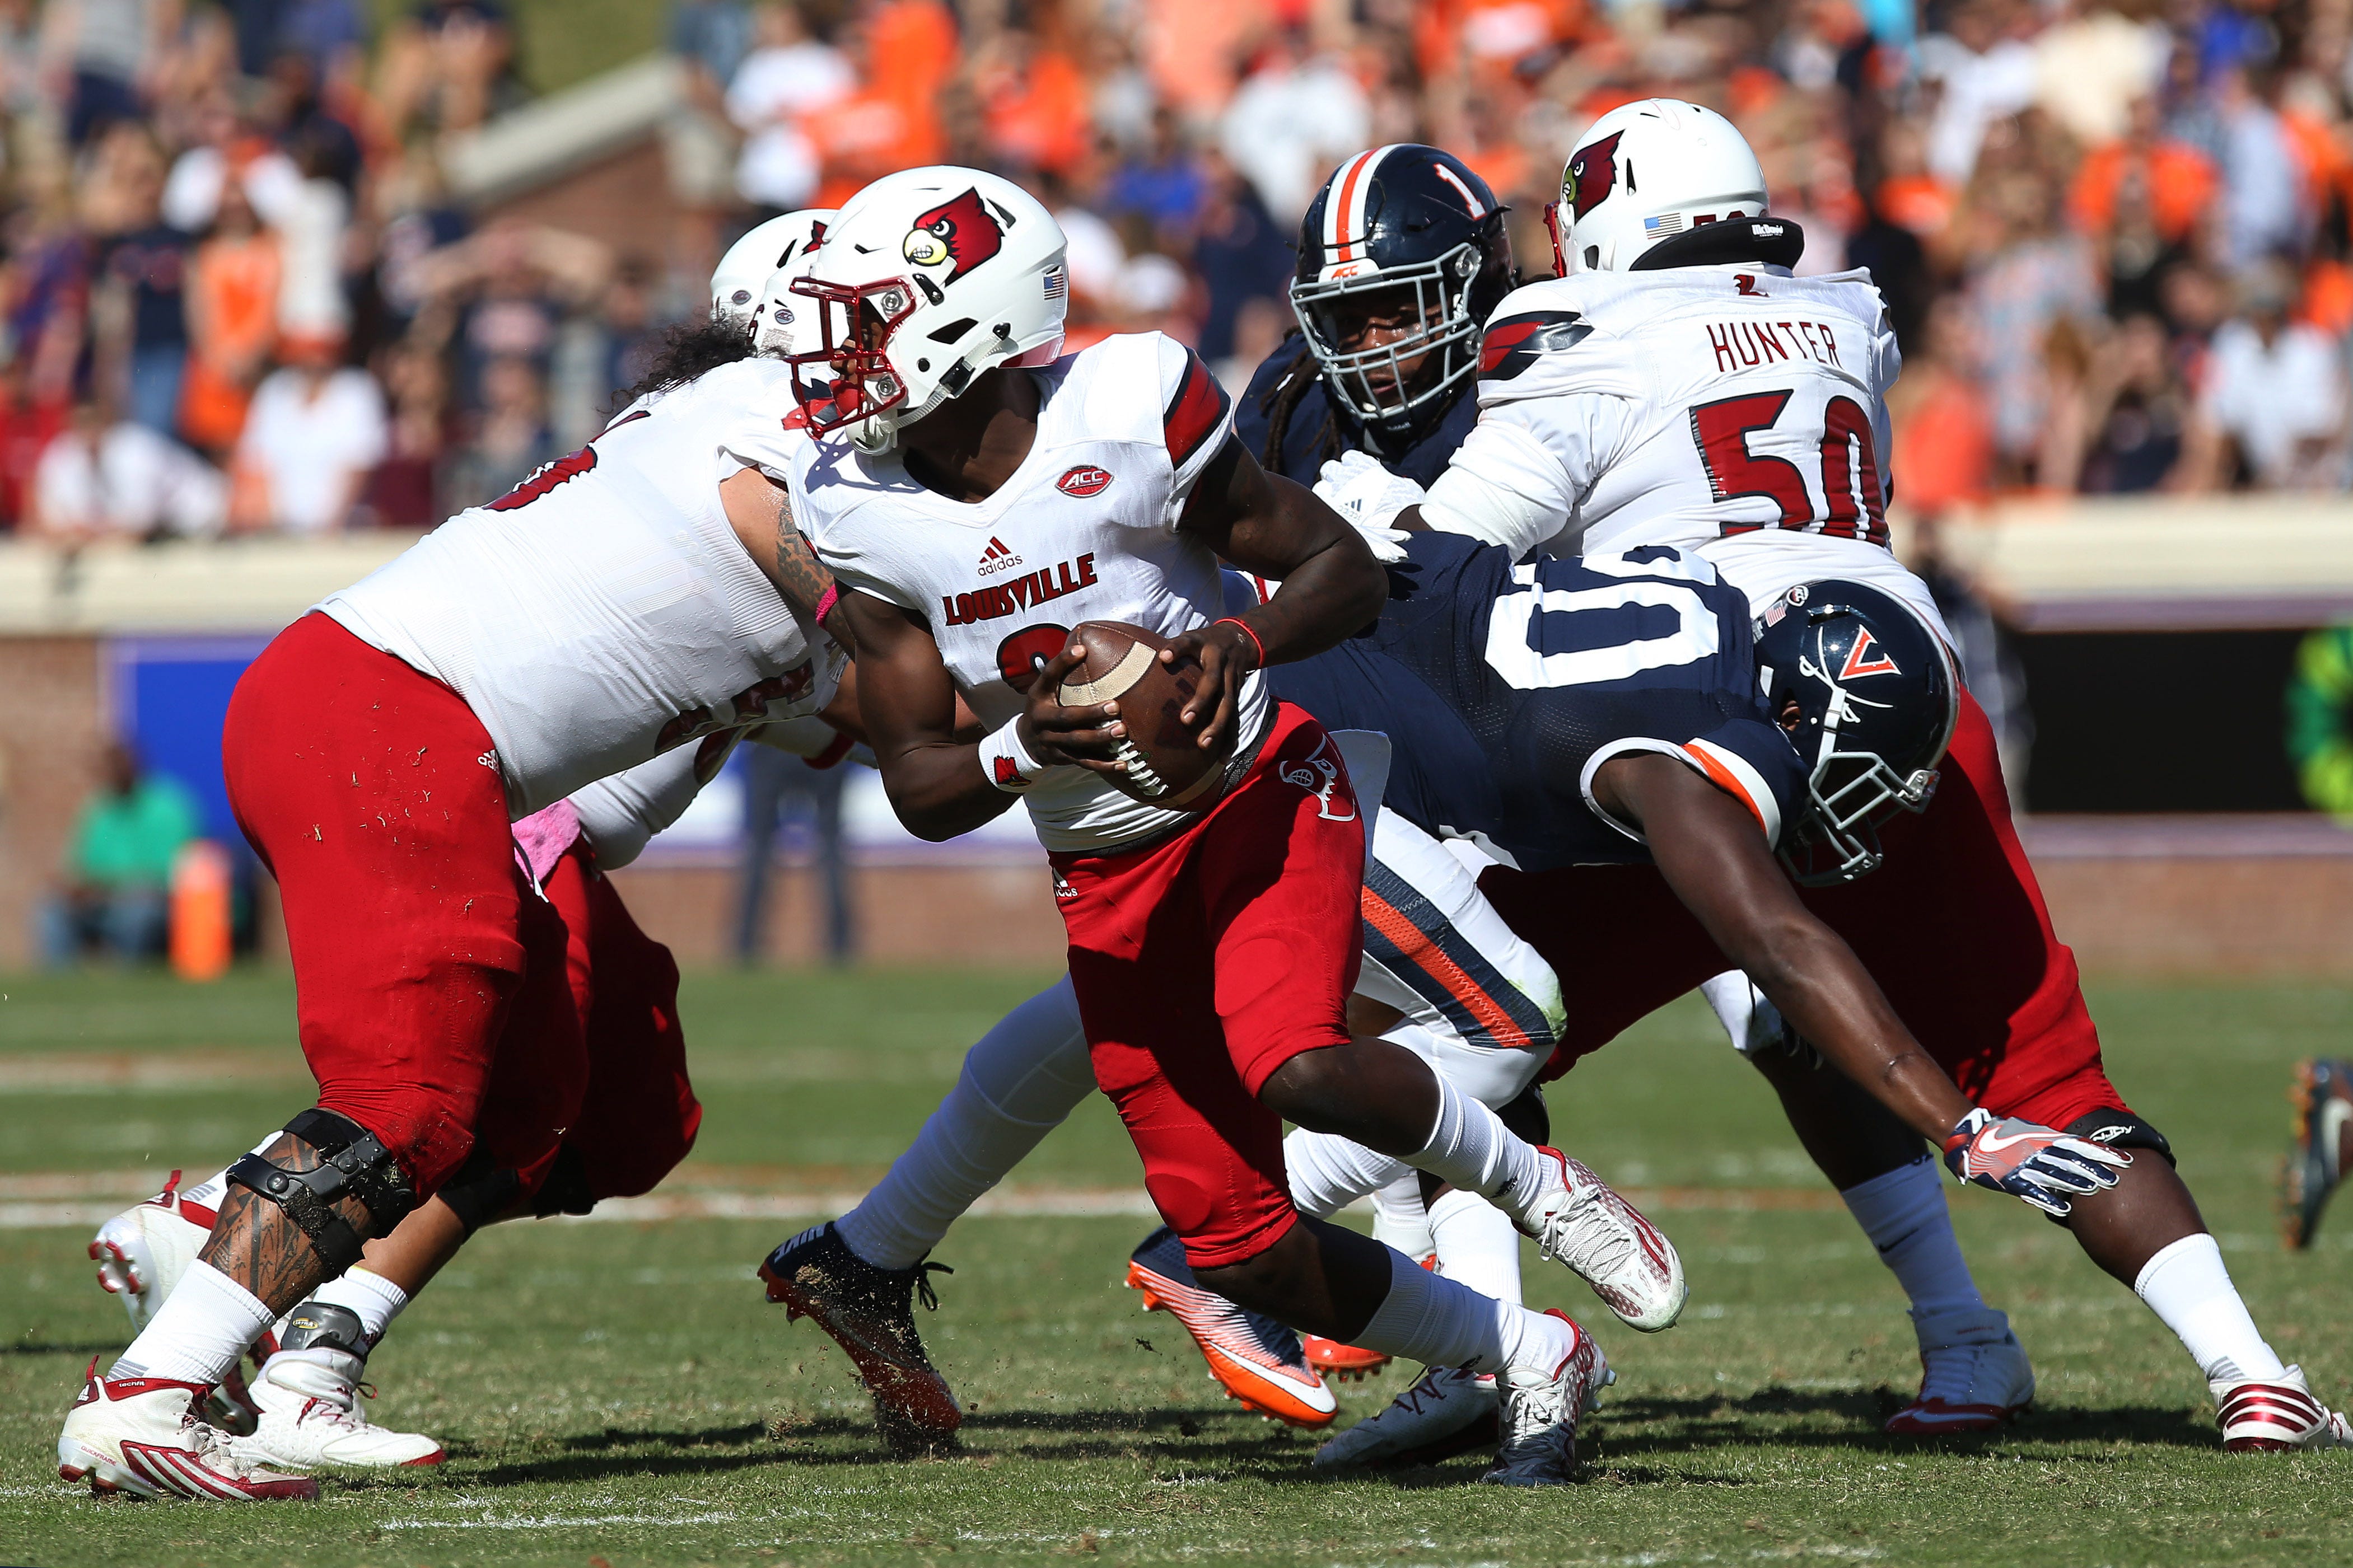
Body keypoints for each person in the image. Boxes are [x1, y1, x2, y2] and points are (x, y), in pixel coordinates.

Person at [1327, 97, 2350, 1455]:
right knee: (2038, 1063)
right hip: (1904, 690)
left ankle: (1429, 1332)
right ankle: (2250, 1369)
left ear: (1614, 225)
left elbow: (1444, 558)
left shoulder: (1581, 345)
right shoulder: (1838, 314)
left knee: (1477, 1021)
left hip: (1711, 708)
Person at [762, 166, 1660, 1485]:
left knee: (1299, 1064)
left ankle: (1543, 1191)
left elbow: (1341, 569)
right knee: (1241, 1247)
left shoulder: (1129, 409)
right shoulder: (851, 508)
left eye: (874, 312)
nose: (841, 349)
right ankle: (1529, 1351)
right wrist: (1019, 744)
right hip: (1105, 878)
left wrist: (1234, 644)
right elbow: (918, 784)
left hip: (1260, 803)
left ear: (974, 319)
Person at [1237, 142, 2028, 1444]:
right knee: (1447, 1031)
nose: (1371, 346)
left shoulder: (1558, 352)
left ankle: (1961, 1328)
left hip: (1618, 736)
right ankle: (1474, 1348)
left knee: (1765, 1019)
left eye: (1398, 306)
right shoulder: (1291, 393)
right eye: (1347, 317)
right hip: (1474, 766)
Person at [55, 223, 849, 1502]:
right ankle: (188, 1357)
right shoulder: (771, 439)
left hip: (460, 761)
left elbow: (890, 724)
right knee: (418, 1100)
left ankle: (253, 1282)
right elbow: (903, 704)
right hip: (452, 758)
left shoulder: (741, 441)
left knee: (575, 1105)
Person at [39, 742, 199, 967]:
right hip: (101, 903)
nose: (114, 773)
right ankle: (59, 986)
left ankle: (127, 978)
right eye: (107, 768)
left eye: (120, 766)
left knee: (137, 910)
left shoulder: (168, 807)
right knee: (52, 911)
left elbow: (171, 875)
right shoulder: (98, 811)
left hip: (151, 903)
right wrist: (72, 888)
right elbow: (81, 869)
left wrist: (113, 887)